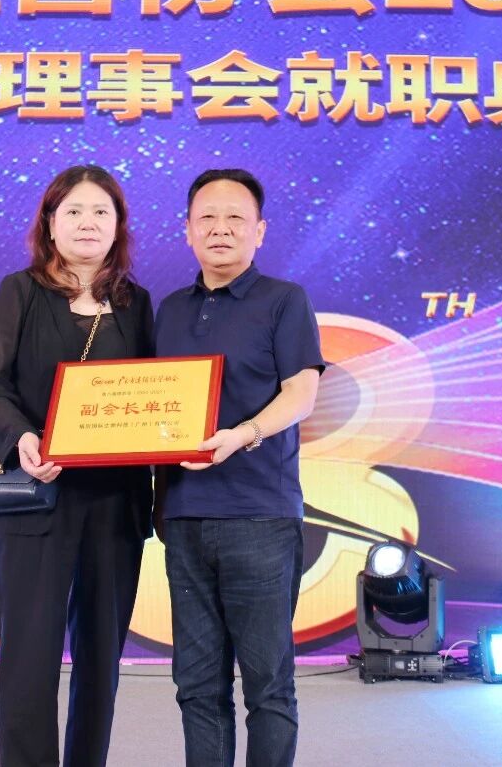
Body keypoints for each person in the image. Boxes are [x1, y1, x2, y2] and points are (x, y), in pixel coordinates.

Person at [0, 165, 154, 767]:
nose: (87, 223)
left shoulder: (135, 303)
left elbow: (156, 392)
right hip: (35, 495)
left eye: (101, 211)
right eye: (73, 210)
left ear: (118, 226)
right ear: (50, 223)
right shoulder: (19, 292)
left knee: (101, 659)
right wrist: (21, 436)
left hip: (115, 501)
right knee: (29, 656)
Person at [154, 169, 324, 767]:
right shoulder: (169, 310)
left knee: (267, 686)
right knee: (196, 685)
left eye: (235, 218)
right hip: (182, 516)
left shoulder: (284, 300)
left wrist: (245, 434)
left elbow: (301, 391)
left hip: (259, 517)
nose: (220, 229)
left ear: (260, 231)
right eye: (207, 218)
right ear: (187, 231)